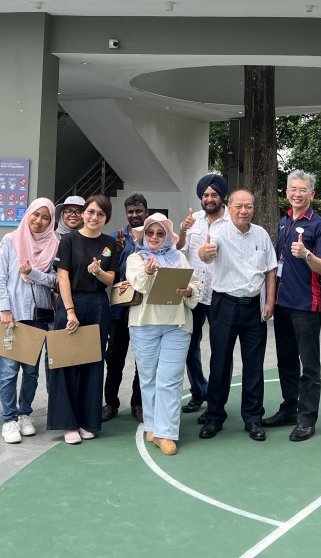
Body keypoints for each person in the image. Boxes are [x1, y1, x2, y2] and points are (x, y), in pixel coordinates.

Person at [197, 189, 277, 442]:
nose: (244, 211)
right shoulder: (219, 233)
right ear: (229, 208)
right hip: (224, 305)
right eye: (239, 206)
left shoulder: (261, 234)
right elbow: (206, 252)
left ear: (254, 208)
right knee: (219, 363)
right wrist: (204, 253)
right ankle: (214, 416)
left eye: (249, 206)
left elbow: (271, 269)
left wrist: (270, 300)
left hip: (254, 307)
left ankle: (253, 418)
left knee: (254, 365)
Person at [262, 170, 321, 442]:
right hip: (282, 304)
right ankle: (290, 408)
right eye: (293, 189)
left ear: (312, 194)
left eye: (303, 189)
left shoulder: (320, 225)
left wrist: (307, 255)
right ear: (287, 192)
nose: (297, 193)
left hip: (306, 304)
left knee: (309, 365)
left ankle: (307, 418)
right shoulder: (284, 221)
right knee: (286, 362)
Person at [126, 214, 201, 455]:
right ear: (144, 235)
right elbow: (140, 285)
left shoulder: (179, 256)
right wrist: (148, 272)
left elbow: (196, 285)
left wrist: (189, 290)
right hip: (143, 323)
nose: (155, 237)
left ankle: (165, 433)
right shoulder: (135, 259)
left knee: (170, 379)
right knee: (148, 378)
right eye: (150, 233)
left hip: (177, 325)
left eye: (160, 233)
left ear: (168, 236)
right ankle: (152, 424)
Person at [49, 194, 118, 445]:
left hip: (98, 304)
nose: (94, 217)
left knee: (93, 364)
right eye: (90, 212)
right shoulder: (68, 240)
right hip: (71, 303)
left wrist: (99, 272)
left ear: (105, 218)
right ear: (83, 214)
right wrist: (69, 311)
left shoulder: (110, 244)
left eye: (100, 214)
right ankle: (66, 422)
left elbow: (112, 279)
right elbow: (62, 278)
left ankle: (88, 421)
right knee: (66, 365)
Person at [0, 198, 59, 443]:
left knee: (31, 373)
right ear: (28, 214)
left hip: (39, 316)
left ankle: (25, 414)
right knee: (9, 371)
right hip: (13, 316)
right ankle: (9, 419)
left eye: (45, 217)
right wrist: (5, 309)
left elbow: (55, 281)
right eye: (36, 215)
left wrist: (33, 273)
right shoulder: (10, 240)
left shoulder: (54, 244)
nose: (39, 221)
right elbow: (0, 278)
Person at [176, 173, 231, 414]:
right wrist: (183, 232)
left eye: (214, 194)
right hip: (194, 292)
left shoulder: (233, 220)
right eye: (205, 195)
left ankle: (217, 402)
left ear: (222, 196)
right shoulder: (192, 220)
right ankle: (199, 391)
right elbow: (178, 249)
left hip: (221, 292)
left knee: (221, 349)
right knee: (189, 345)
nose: (209, 198)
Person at [102, 193, 146, 423]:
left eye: (138, 211)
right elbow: (107, 270)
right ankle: (111, 403)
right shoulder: (113, 239)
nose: (135, 215)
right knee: (115, 359)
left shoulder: (154, 236)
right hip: (119, 310)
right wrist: (117, 251)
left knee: (143, 360)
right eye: (131, 212)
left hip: (145, 310)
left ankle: (138, 403)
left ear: (145, 212)